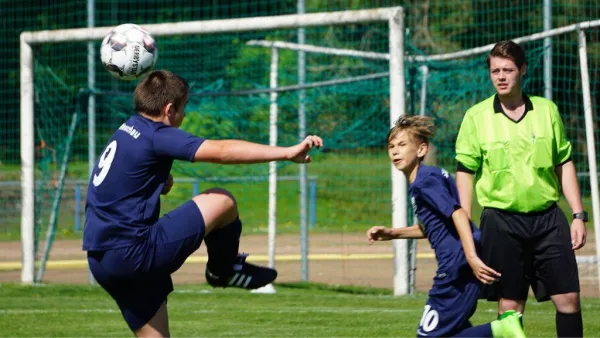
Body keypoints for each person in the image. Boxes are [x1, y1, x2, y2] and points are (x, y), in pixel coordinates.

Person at [83, 70, 323, 337]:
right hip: (134, 252)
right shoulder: (156, 134)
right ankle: (223, 271)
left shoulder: (126, 129)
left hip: (101, 258)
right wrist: (287, 152)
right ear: (169, 108)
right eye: (184, 109)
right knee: (223, 201)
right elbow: (221, 151)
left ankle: (224, 270)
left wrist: (157, 182)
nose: (184, 116)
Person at [455, 40, 586, 337]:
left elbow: (563, 163)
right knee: (510, 307)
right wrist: (465, 219)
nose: (501, 77)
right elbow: (465, 172)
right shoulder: (476, 117)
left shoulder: (547, 110)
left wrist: (578, 215)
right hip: (501, 222)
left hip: (548, 220)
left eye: (508, 70)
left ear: (523, 70)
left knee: (569, 299)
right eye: (495, 71)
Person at [367, 115, 526, 338]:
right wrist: (393, 233)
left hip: (456, 265)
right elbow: (438, 225)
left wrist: (471, 258)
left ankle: (500, 329)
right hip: (461, 260)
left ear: (421, 150)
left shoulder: (424, 182)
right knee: (456, 331)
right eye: (391, 146)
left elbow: (459, 213)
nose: (394, 151)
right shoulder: (432, 175)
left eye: (402, 145)